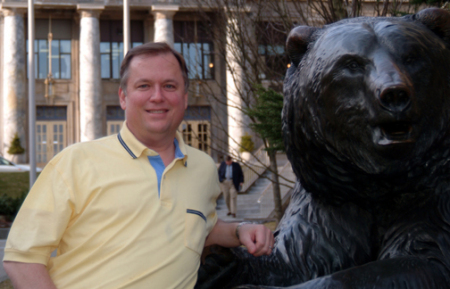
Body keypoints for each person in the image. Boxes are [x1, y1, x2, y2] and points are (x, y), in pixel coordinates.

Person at [3, 42, 274, 289]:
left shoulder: (203, 168)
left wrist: (241, 230)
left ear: (185, 97)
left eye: (169, 86)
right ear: (123, 97)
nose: (157, 96)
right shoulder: (75, 162)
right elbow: (22, 258)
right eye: (144, 86)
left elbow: (200, 226)